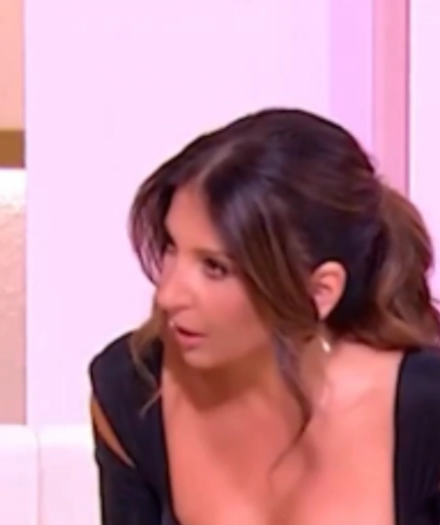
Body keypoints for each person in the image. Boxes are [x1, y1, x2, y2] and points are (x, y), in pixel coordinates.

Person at [89, 108, 440, 525]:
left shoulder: (425, 411)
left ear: (319, 292)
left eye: (215, 267)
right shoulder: (132, 390)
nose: (168, 295)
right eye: (171, 248)